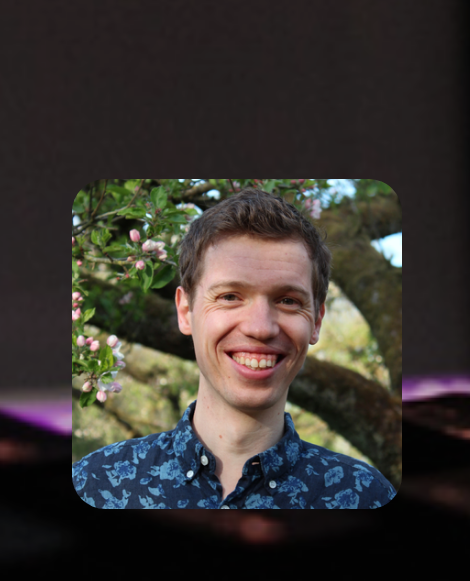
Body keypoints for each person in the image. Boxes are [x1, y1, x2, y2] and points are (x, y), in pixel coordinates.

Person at [72, 188, 396, 509]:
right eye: (229, 297)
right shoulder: (95, 486)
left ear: (316, 321)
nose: (260, 327)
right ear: (185, 311)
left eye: (288, 300)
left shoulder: (366, 497)